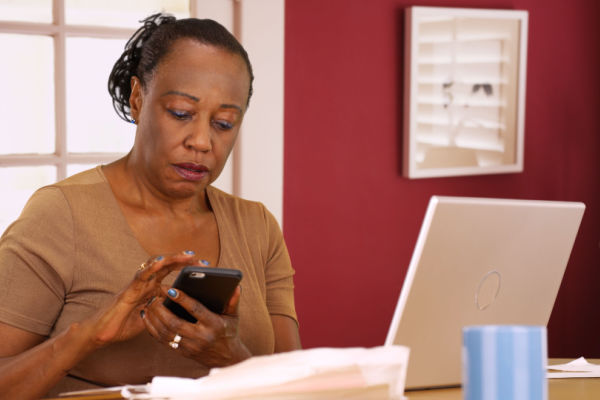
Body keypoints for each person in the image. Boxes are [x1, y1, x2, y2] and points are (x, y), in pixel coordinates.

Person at [0, 13, 300, 399]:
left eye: (224, 123)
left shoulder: (257, 227)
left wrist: (230, 357)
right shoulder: (59, 215)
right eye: (181, 114)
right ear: (138, 98)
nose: (202, 141)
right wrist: (89, 336)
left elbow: (301, 391)